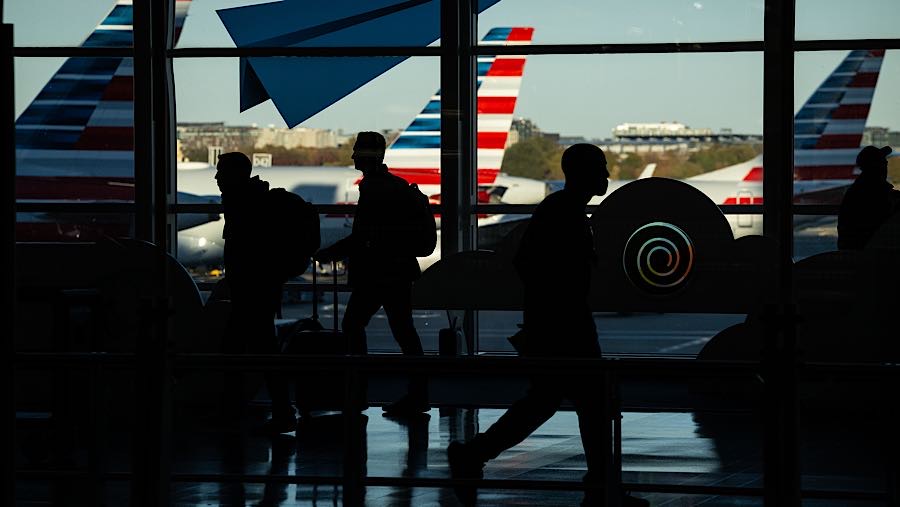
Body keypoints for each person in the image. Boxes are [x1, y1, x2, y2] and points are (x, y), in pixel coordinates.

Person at [446, 144, 648, 507]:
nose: (605, 176)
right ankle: (601, 484)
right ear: (584, 173)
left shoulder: (560, 210)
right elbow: (543, 268)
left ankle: (475, 454)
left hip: (556, 321)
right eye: (600, 168)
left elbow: (527, 263)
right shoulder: (565, 213)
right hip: (565, 324)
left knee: (549, 402)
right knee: (586, 402)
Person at [315, 132, 429, 417]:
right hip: (396, 271)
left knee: (353, 325)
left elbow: (365, 236)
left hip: (379, 273)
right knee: (404, 331)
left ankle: (358, 392)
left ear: (367, 155)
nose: (353, 156)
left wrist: (331, 251)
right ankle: (416, 393)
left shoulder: (375, 190)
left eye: (357, 151)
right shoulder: (394, 186)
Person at [216, 152, 296, 433]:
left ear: (234, 176)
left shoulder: (245, 206)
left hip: (252, 291)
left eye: (221, 173)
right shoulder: (251, 201)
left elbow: (246, 252)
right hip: (260, 289)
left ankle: (240, 410)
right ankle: (268, 408)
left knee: (242, 349)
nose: (216, 178)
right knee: (259, 349)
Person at [838, 145, 900, 250]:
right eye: (882, 162)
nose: (886, 163)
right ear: (876, 166)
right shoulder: (875, 191)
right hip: (868, 254)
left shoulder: (859, 189)